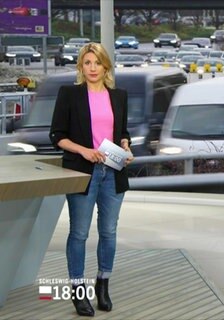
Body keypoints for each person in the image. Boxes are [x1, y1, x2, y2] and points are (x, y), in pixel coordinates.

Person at [49, 42, 133, 317]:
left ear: (105, 66)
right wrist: (83, 150)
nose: (93, 68)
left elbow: (122, 132)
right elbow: (57, 135)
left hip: (113, 171)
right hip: (82, 171)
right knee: (80, 233)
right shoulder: (69, 94)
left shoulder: (119, 96)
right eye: (87, 63)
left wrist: (126, 146)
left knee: (109, 231)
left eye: (97, 62)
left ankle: (103, 285)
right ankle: (78, 290)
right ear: (81, 67)